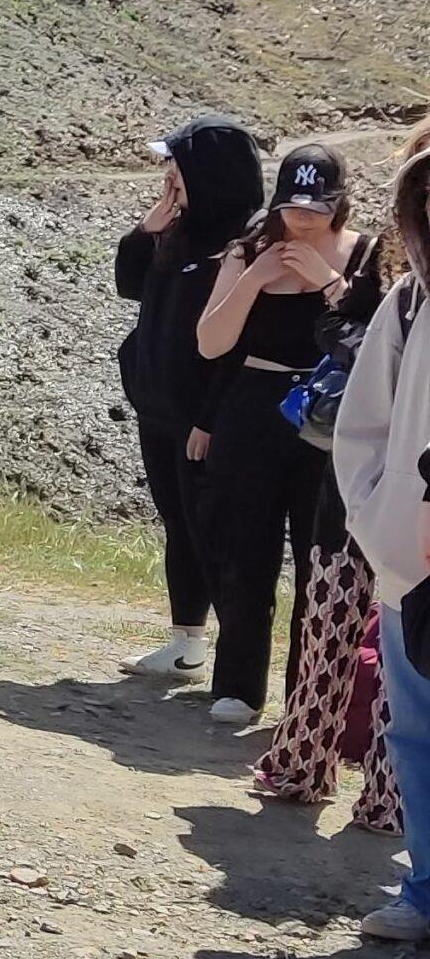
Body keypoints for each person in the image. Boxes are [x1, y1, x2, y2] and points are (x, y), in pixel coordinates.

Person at [192, 142, 373, 727]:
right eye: (293, 208)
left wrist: (330, 282)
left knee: (319, 558)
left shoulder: (366, 254)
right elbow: (211, 343)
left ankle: (307, 695)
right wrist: (253, 279)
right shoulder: (247, 250)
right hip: (255, 405)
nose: (304, 219)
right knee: (245, 549)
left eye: (317, 208)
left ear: (339, 204)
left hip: (329, 412)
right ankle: (238, 685)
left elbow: (375, 339)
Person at [113, 115, 263, 681]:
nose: (168, 173)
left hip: (204, 417)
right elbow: (129, 284)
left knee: (214, 533)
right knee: (179, 523)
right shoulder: (178, 230)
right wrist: (146, 231)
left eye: (176, 163)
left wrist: (209, 416)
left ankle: (239, 669)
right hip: (159, 406)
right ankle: (186, 644)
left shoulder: (245, 242)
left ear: (210, 171)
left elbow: (241, 346)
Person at [333, 113, 430, 941]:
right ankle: (426, 889)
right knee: (417, 728)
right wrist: (383, 523)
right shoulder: (409, 304)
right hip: (414, 563)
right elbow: (362, 427)